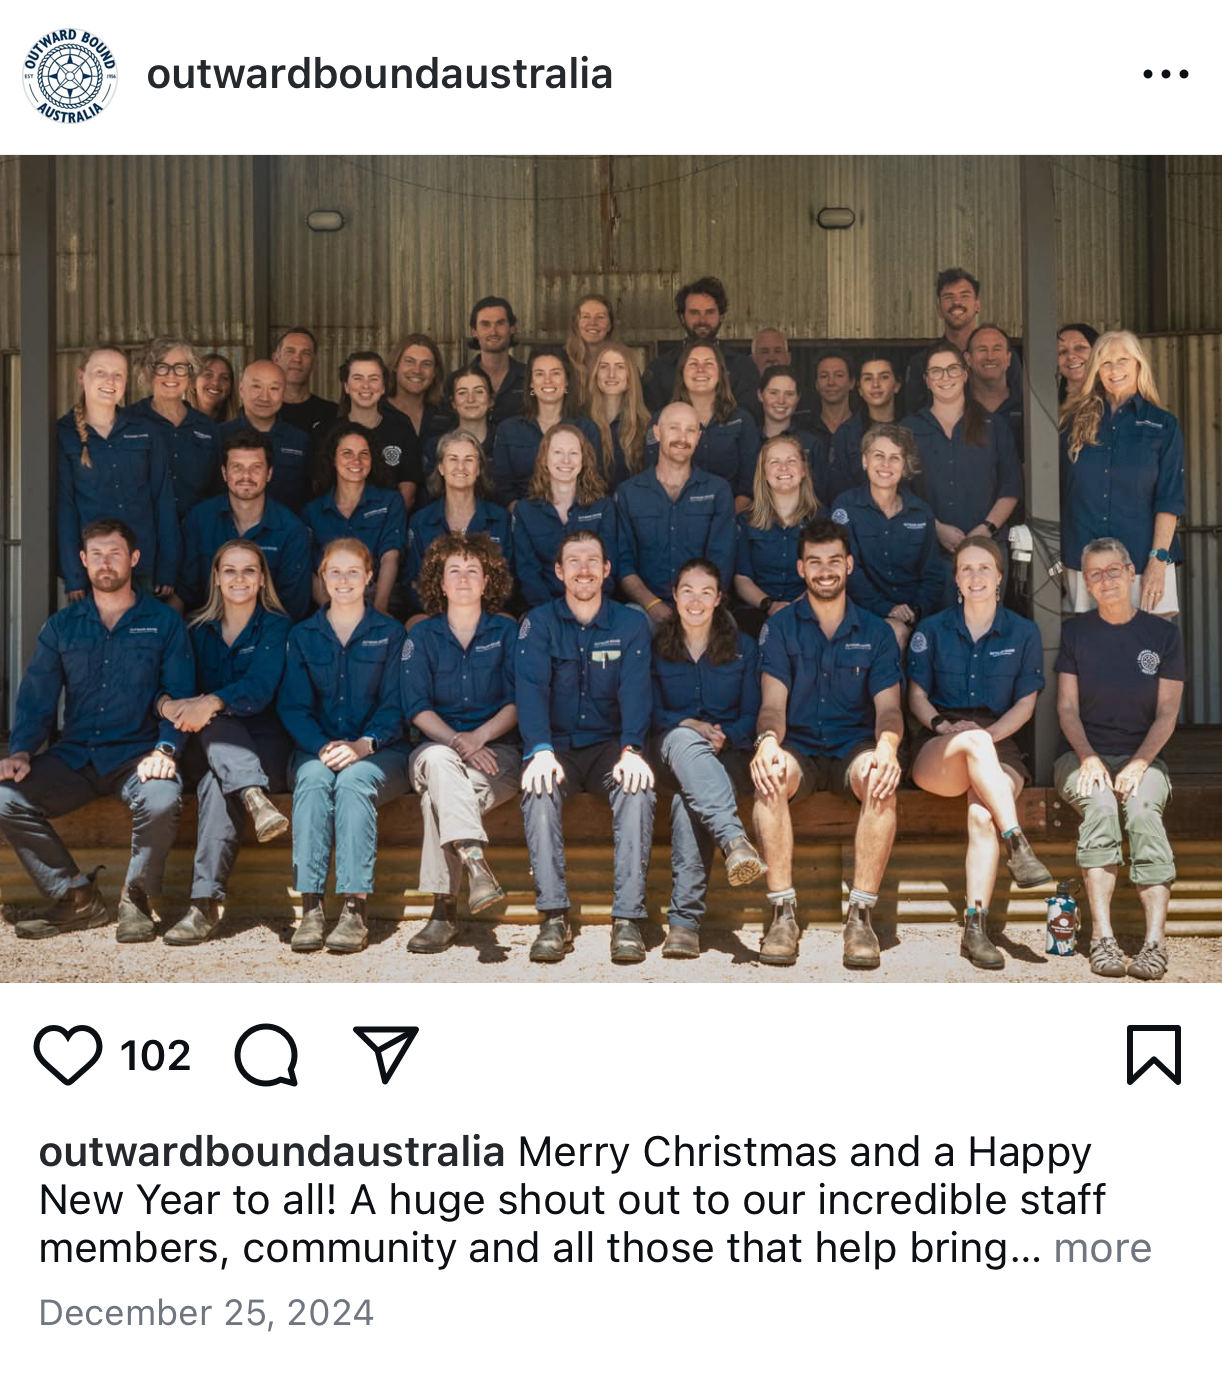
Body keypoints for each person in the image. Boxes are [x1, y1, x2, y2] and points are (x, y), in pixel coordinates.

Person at [0, 520, 193, 943]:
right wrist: (21, 752)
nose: (107, 563)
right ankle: (77, 897)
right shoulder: (61, 627)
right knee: (5, 799)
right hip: (76, 756)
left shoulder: (163, 623)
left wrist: (166, 748)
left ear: (134, 559)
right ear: (84, 562)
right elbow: (37, 699)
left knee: (162, 799)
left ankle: (136, 899)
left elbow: (179, 696)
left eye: (116, 553)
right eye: (98, 555)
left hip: (137, 756)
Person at [750, 518, 904, 969]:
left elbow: (889, 710)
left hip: (853, 745)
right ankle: (782, 912)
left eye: (834, 560)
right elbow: (772, 707)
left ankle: (860, 915)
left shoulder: (876, 632)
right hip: (797, 743)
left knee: (881, 777)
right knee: (770, 776)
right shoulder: (780, 629)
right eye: (814, 562)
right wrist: (767, 743)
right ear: (801, 568)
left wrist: (888, 748)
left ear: (849, 565)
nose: (825, 570)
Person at [907, 537, 1052, 969]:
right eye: (966, 569)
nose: (975, 577)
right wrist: (940, 725)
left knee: (982, 814)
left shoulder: (1023, 632)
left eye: (984, 568)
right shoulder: (931, 629)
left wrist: (988, 736)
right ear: (955, 579)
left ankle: (976, 926)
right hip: (941, 745)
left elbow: (1025, 705)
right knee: (971, 742)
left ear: (1000, 578)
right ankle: (1019, 843)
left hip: (1000, 740)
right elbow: (915, 694)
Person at [515, 530, 655, 964]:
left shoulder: (631, 624)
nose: (584, 569)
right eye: (573, 561)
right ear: (559, 572)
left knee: (636, 790)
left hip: (609, 748)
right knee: (537, 790)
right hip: (555, 747)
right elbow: (531, 690)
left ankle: (628, 919)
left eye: (592, 560)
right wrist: (538, 749)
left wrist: (632, 749)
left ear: (607, 570)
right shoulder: (538, 623)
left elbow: (636, 691)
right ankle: (554, 917)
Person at [1054, 538, 1184, 980]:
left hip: (1143, 758)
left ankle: (1153, 944)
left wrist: (1139, 763)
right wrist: (1088, 757)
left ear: (1132, 573)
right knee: (1102, 805)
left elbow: (1168, 713)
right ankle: (1103, 939)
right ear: (1086, 584)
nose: (1105, 580)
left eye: (1114, 571)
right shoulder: (1075, 633)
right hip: (1080, 757)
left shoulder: (1163, 635)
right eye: (1095, 574)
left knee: (1144, 809)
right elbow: (1067, 709)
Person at [277, 539, 410, 954]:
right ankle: (312, 907)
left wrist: (362, 745)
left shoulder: (390, 633)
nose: (344, 580)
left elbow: (396, 704)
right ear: (322, 577)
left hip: (380, 752)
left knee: (353, 783)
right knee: (314, 782)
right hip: (315, 751)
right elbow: (293, 706)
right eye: (335, 572)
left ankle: (354, 908)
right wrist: (323, 747)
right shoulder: (303, 635)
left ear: (370, 577)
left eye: (354, 571)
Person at [159, 541, 293, 945]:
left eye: (249, 570)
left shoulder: (276, 626)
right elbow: (174, 690)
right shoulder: (196, 631)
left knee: (216, 782)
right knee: (213, 730)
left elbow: (261, 687)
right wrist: (175, 706)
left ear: (262, 578)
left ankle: (204, 905)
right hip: (210, 746)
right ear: (216, 577)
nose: (239, 579)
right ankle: (253, 798)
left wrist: (211, 702)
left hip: (264, 743)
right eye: (230, 570)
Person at [401, 533, 521, 953]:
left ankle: (443, 912)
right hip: (436, 747)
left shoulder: (508, 633)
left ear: (487, 581)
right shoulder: (422, 637)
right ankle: (472, 859)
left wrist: (479, 737)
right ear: (442, 583)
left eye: (474, 570)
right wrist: (456, 740)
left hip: (497, 755)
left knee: (440, 796)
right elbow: (416, 707)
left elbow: (520, 700)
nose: (465, 577)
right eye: (455, 570)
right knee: (437, 762)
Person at [650, 558, 766, 957]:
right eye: (687, 591)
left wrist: (724, 735)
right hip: (669, 753)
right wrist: (687, 723)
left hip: (727, 754)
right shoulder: (655, 646)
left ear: (718, 599)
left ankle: (683, 925)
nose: (695, 600)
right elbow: (645, 710)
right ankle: (734, 840)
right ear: (674, 595)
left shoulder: (743, 648)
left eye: (705, 592)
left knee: (690, 802)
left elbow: (754, 713)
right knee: (684, 740)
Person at [1059, 330, 1185, 617]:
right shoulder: (1070, 423)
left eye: (1123, 360)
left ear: (1138, 364)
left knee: (1148, 652)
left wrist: (1158, 561)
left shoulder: (1163, 425)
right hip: (1083, 559)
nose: (1115, 370)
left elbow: (1170, 499)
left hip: (1144, 559)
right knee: (1087, 651)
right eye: (1105, 363)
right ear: (1096, 371)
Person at [57, 344, 179, 603]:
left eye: (118, 374)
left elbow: (163, 501)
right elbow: (64, 508)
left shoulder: (146, 431)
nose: (109, 381)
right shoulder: (64, 433)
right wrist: (74, 574)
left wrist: (168, 568)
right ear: (81, 376)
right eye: (100, 372)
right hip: (93, 569)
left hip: (143, 563)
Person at [903, 344, 1023, 603]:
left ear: (965, 374)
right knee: (938, 629)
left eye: (952, 369)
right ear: (926, 380)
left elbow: (1011, 486)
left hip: (987, 550)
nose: (945, 377)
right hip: (930, 551)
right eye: (936, 371)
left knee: (986, 626)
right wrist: (935, 528)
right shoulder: (909, 429)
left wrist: (987, 528)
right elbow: (901, 491)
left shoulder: (994, 425)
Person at [617, 402, 736, 628]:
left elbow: (721, 562)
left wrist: (694, 607)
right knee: (629, 622)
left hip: (701, 608)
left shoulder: (717, 490)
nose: (682, 437)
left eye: (690, 430)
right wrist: (652, 605)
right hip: (646, 610)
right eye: (674, 428)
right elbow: (624, 565)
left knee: (728, 626)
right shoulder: (629, 493)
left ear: (699, 437)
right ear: (657, 432)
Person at [831, 423, 943, 652]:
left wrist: (915, 611)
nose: (885, 465)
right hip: (863, 611)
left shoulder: (921, 512)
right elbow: (846, 569)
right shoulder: (845, 508)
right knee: (896, 633)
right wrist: (887, 609)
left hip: (913, 614)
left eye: (895, 458)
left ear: (906, 466)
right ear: (865, 461)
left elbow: (933, 573)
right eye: (878, 456)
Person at [178, 428, 311, 621]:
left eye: (256, 467)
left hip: (268, 638)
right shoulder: (199, 520)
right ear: (224, 473)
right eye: (237, 467)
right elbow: (185, 593)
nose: (246, 476)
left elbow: (293, 607)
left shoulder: (292, 530)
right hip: (207, 633)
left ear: (269, 473)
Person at [302, 424, 407, 616]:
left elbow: (390, 556)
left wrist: (379, 608)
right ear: (333, 459)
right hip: (332, 595)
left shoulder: (390, 501)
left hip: (377, 593)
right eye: (347, 453)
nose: (356, 460)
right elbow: (310, 571)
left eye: (364, 454)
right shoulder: (313, 510)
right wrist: (331, 611)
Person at [405, 431, 512, 615]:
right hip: (435, 617)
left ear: (478, 469)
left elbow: (509, 578)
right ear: (441, 467)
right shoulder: (421, 521)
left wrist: (475, 614)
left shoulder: (500, 518)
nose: (460, 466)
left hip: (488, 617)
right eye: (453, 459)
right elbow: (413, 582)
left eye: (469, 459)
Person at [512, 424, 618, 608]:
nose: (566, 460)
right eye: (558, 452)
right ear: (545, 459)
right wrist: (554, 615)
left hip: (595, 607)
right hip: (544, 611)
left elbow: (610, 566)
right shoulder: (525, 511)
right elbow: (527, 573)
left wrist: (587, 608)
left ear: (584, 459)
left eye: (574, 453)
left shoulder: (603, 506)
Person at [645, 341, 760, 505]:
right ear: (681, 373)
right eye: (693, 364)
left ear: (721, 373)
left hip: (730, 512)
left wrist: (732, 514)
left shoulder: (742, 420)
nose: (701, 369)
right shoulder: (661, 419)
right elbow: (652, 473)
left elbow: (750, 479)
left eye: (709, 364)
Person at [733, 434, 825, 637]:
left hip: (810, 608)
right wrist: (770, 605)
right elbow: (742, 578)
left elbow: (826, 575)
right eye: (775, 462)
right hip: (757, 611)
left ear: (803, 470)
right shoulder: (746, 522)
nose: (783, 468)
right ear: (764, 472)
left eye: (791, 461)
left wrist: (795, 607)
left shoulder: (822, 521)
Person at [903, 267, 1024, 414]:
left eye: (965, 295)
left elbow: (1019, 406)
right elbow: (915, 418)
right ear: (939, 309)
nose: (956, 302)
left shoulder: (1002, 357)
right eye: (948, 297)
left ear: (977, 306)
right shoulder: (921, 362)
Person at [491, 349, 600, 506]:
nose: (547, 380)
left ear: (567, 380)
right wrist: (522, 514)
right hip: (523, 517)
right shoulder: (509, 430)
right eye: (539, 374)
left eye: (555, 373)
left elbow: (594, 480)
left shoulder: (586, 429)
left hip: (576, 516)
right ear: (531, 383)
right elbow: (502, 486)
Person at [130, 335, 222, 520]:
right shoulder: (128, 421)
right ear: (148, 372)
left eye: (180, 368)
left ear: (191, 373)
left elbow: (218, 490)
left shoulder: (207, 428)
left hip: (197, 532)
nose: (171, 375)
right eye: (162, 367)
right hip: (144, 531)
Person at [642, 275, 760, 415]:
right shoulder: (659, 369)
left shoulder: (744, 368)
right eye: (694, 313)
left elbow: (749, 420)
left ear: (721, 316)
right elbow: (652, 423)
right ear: (682, 317)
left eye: (710, 312)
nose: (702, 320)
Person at [333, 351, 424, 514]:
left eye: (373, 379)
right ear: (346, 386)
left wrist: (384, 523)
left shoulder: (401, 428)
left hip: (388, 525)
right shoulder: (329, 432)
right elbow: (319, 487)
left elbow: (408, 490)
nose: (366, 385)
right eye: (358, 378)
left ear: (383, 387)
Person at [219, 360, 311, 513]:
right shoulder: (219, 436)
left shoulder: (301, 440)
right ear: (242, 389)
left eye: (274, 388)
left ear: (284, 393)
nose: (265, 397)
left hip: (286, 533)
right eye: (256, 386)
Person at [827, 353, 904, 502]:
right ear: (860, 389)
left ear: (897, 385)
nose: (875, 384)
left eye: (884, 377)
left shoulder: (914, 430)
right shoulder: (846, 435)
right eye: (868, 378)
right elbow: (838, 491)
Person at [444, 296, 527, 427]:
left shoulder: (530, 377)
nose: (493, 331)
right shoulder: (454, 381)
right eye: (485, 324)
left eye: (500, 323)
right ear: (474, 332)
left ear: (512, 328)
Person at [584, 340, 652, 490]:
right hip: (591, 509)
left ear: (630, 375)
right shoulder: (581, 423)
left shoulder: (647, 425)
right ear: (595, 374)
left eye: (620, 367)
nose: (611, 374)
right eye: (604, 367)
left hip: (632, 509)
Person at [756, 364, 829, 500]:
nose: (781, 401)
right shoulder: (748, 440)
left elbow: (821, 496)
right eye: (773, 393)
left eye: (789, 394)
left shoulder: (812, 443)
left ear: (798, 398)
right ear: (760, 395)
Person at [386, 333, 451, 475]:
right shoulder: (377, 411)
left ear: (435, 373)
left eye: (426, 364)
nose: (417, 370)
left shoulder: (446, 415)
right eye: (409, 361)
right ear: (396, 366)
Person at [423, 365, 497, 480]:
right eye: (462, 393)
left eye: (479, 392)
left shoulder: (505, 442)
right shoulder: (435, 446)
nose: (471, 399)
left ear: (491, 400)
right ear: (453, 403)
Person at [966, 324, 1024, 458]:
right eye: (982, 349)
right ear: (968, 359)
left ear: (1008, 359)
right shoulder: (957, 409)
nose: (990, 357)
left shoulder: (1027, 408)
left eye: (997, 349)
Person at [273, 327, 338, 436]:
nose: (297, 359)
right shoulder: (262, 410)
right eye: (290, 351)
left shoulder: (331, 413)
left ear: (314, 363)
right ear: (276, 359)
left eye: (305, 353)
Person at [565, 294, 615, 405]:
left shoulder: (624, 364)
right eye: (586, 317)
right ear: (576, 324)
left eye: (600, 317)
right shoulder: (561, 362)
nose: (592, 323)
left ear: (609, 325)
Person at [811, 349, 856, 454]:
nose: (831, 382)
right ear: (816, 384)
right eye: (824, 376)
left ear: (852, 382)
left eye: (839, 375)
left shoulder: (863, 428)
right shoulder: (803, 429)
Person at [1056, 322, 1099, 403]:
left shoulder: (1112, 401)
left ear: (1097, 350)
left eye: (1080, 347)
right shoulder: (1048, 402)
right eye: (1062, 351)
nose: (1070, 356)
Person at [195, 353, 236, 423]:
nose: (216, 382)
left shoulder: (238, 428)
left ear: (229, 388)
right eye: (208, 375)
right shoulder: (177, 423)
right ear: (193, 383)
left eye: (224, 378)